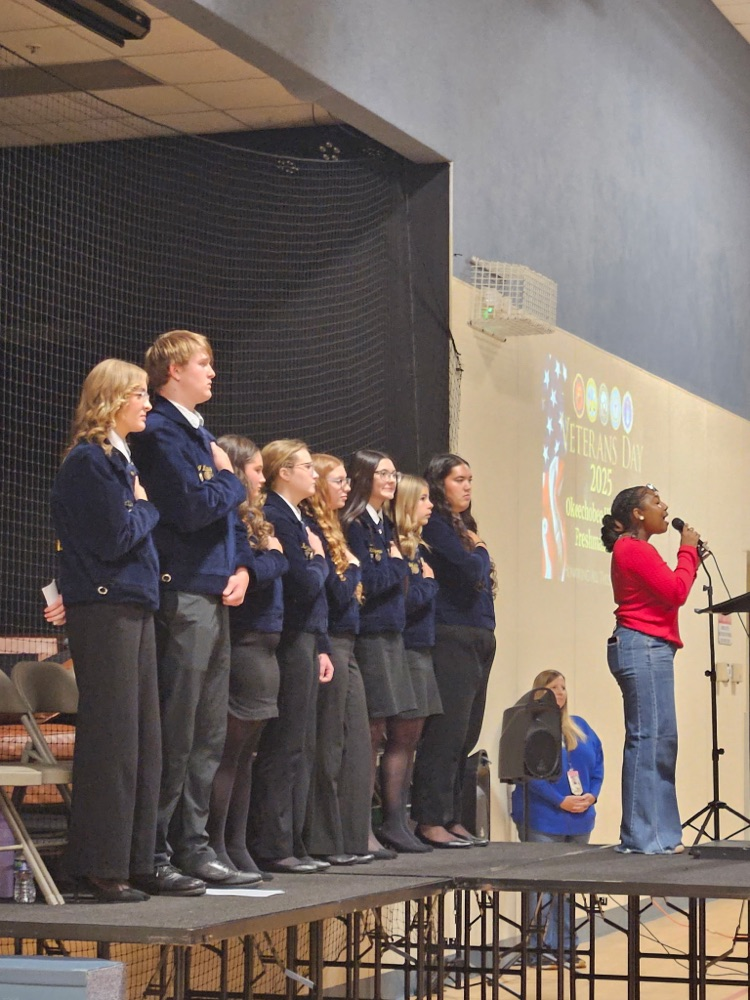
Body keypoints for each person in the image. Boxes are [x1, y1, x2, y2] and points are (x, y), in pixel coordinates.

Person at [130, 329, 258, 892]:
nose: (212, 372)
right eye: (204, 363)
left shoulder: (198, 432)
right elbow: (189, 509)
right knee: (177, 730)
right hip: (181, 593)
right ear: (174, 368)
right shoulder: (160, 431)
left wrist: (241, 567)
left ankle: (195, 846)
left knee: (208, 732)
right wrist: (231, 479)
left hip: (213, 591)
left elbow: (222, 520)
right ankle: (154, 851)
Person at [49, 359, 161, 902]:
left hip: (131, 605)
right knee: (113, 739)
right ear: (112, 400)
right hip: (105, 608)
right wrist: (146, 507)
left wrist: (140, 504)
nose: (146, 403)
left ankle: (133, 859)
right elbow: (118, 536)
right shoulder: (89, 463)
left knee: (141, 740)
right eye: (138, 394)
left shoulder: (118, 461)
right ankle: (96, 864)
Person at [247, 439, 333, 874]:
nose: (313, 473)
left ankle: (293, 840)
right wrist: (319, 561)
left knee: (300, 745)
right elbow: (304, 582)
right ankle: (274, 844)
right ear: (284, 472)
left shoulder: (299, 516)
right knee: (284, 746)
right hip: (288, 635)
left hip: (306, 636)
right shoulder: (278, 515)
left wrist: (321, 645)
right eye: (305, 466)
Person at [601, 484, 701, 855]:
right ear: (637, 514)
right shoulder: (632, 549)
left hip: (653, 648)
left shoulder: (641, 550)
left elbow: (674, 590)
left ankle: (662, 835)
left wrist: (691, 559)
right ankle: (642, 836)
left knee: (663, 741)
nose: (665, 506)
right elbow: (676, 592)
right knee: (647, 739)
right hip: (640, 646)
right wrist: (687, 549)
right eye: (656, 502)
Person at [206, 435, 288, 880]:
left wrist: (272, 556)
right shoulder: (231, 517)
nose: (262, 478)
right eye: (256, 470)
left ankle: (237, 846)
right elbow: (251, 572)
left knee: (246, 755)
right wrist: (274, 555)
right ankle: (215, 845)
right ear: (236, 471)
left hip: (266, 644)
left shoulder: (255, 519)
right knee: (228, 753)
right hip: (244, 643)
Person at [341, 449, 426, 856]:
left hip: (392, 634)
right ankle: (360, 828)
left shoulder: (384, 526)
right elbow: (370, 582)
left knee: (395, 730)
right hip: (370, 634)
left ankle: (391, 822)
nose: (391, 481)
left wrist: (395, 569)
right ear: (364, 478)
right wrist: (397, 568)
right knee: (369, 735)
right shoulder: (355, 524)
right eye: (383, 474)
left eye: (394, 473)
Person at [411, 454, 496, 848]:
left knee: (468, 732)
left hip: (478, 631)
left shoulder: (465, 526)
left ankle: (451, 816)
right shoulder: (438, 525)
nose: (467, 486)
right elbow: (468, 569)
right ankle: (429, 818)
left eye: (471, 479)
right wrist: (479, 552)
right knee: (446, 732)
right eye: (459, 479)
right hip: (451, 632)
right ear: (438, 485)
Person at [302, 453, 373, 864]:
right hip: (328, 642)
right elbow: (336, 592)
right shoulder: (312, 531)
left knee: (354, 746)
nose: (347, 489)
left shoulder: (335, 530)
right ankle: (324, 841)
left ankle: (349, 838)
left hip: (346, 642)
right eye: (338, 481)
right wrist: (354, 570)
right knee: (328, 745)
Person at [511, 670, 603, 965]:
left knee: (568, 887)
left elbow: (598, 765)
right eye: (553, 687)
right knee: (542, 888)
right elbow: (525, 773)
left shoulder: (581, 727)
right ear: (540, 693)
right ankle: (537, 950)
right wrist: (559, 800)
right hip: (543, 819)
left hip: (579, 819)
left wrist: (592, 795)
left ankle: (565, 946)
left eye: (563, 686)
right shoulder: (528, 728)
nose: (560, 692)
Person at [391, 474, 443, 844]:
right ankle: (392, 820)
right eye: (423, 499)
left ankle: (403, 818)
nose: (430, 506)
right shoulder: (398, 547)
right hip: (406, 649)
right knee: (400, 739)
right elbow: (407, 601)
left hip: (422, 648)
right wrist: (428, 583)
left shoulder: (419, 548)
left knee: (413, 740)